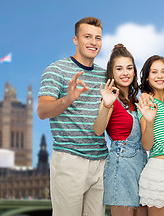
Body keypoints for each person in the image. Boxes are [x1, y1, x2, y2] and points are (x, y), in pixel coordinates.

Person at [37, 17, 107, 216]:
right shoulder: (55, 70)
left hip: (101, 161)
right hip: (69, 159)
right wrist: (67, 99)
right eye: (87, 37)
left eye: (98, 38)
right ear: (75, 40)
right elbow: (42, 111)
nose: (93, 42)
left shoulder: (104, 75)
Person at [93, 44, 148, 216]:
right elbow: (98, 129)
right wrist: (107, 104)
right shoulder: (110, 99)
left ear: (134, 71)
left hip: (141, 165)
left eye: (129, 68)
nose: (125, 73)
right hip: (121, 167)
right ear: (112, 73)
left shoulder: (135, 102)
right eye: (119, 68)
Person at [137, 55, 164, 216]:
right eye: (154, 72)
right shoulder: (147, 103)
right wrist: (149, 121)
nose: (160, 76)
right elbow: (147, 145)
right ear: (147, 78)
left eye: (163, 71)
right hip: (159, 172)